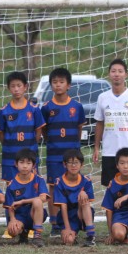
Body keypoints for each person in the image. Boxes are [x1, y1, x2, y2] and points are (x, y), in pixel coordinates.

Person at [41, 67, 86, 235]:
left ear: (68, 85)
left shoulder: (77, 106)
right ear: (51, 85)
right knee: (53, 187)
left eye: (61, 82)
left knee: (73, 186)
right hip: (54, 155)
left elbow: (79, 128)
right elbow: (44, 131)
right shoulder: (46, 108)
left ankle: (74, 221)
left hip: (72, 155)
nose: (58, 85)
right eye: (55, 82)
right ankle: (54, 224)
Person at [93, 58, 128, 187]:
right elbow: (100, 123)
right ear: (109, 74)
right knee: (110, 187)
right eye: (113, 71)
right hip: (109, 151)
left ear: (126, 74)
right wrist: (96, 147)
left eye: (120, 71)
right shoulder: (102, 97)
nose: (116, 74)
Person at [0, 71, 44, 182]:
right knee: (11, 187)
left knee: (32, 187)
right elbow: (1, 133)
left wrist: (31, 145)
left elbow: (38, 131)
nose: (16, 89)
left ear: (25, 87)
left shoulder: (34, 109)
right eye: (13, 86)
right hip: (10, 157)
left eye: (19, 86)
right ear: (8, 88)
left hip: (30, 156)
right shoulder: (4, 111)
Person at [3, 148, 49, 248]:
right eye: (21, 162)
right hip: (19, 215)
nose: (25, 166)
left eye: (28, 163)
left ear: (33, 165)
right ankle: (23, 233)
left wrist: (24, 201)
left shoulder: (38, 179)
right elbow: (9, 205)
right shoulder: (12, 184)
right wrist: (13, 220)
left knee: (37, 201)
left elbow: (44, 197)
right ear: (16, 164)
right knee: (13, 231)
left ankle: (37, 235)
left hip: (34, 213)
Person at [51, 148, 96, 247]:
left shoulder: (86, 181)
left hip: (81, 212)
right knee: (68, 241)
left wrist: (83, 193)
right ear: (64, 164)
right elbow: (63, 206)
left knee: (84, 195)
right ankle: (72, 233)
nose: (73, 165)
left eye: (76, 162)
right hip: (67, 216)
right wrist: (67, 228)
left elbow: (88, 203)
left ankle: (91, 235)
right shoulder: (59, 182)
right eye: (70, 163)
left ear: (82, 164)